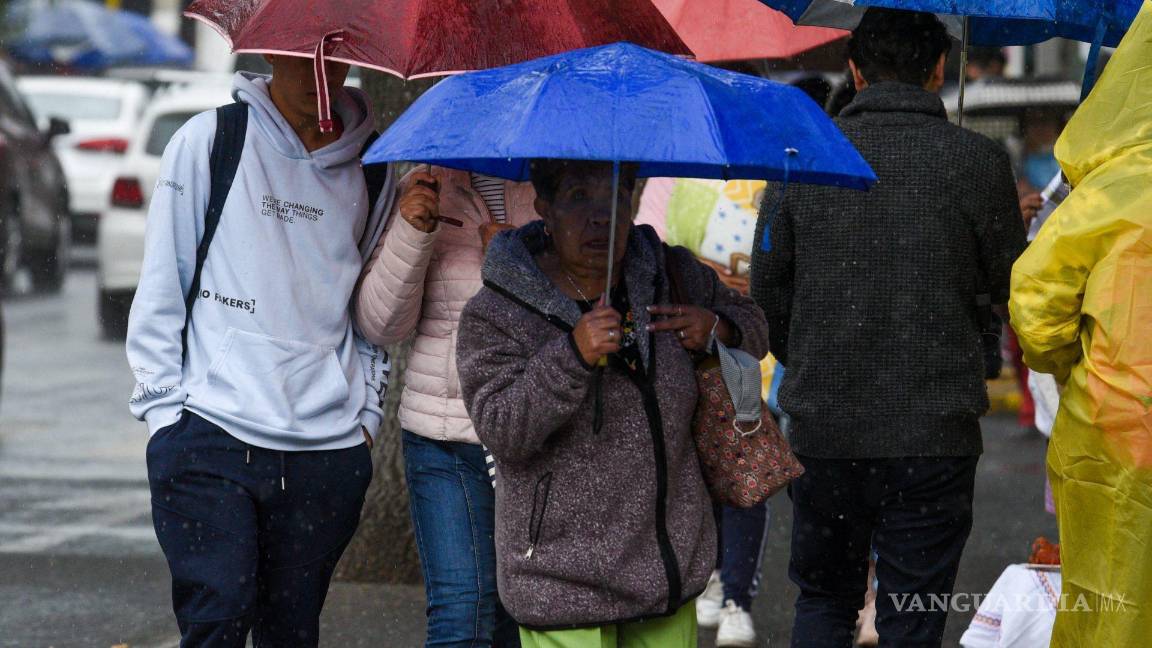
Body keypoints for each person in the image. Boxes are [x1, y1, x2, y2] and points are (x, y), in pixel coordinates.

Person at [751, 9, 1027, 647]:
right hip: (934, 430)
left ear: (854, 69)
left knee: (823, 599)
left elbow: (770, 293)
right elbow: (1013, 282)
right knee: (913, 615)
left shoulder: (801, 161)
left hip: (824, 425)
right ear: (938, 71)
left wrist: (815, 356)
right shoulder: (978, 161)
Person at [126, 56, 395, 646]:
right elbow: (161, 286)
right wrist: (164, 416)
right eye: (302, 57)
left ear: (351, 60)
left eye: (332, 58)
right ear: (271, 53)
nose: (317, 73)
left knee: (291, 632)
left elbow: (373, 311)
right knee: (216, 618)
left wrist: (367, 416)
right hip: (210, 433)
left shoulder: (376, 167)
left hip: (326, 451)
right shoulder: (210, 140)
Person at [456, 160, 770, 648]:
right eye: (579, 196)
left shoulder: (671, 271)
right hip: (560, 583)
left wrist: (716, 327)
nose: (601, 216)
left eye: (615, 197)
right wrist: (571, 356)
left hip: (665, 567)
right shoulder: (498, 310)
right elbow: (502, 429)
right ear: (544, 208)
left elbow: (753, 325)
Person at [1009, 3, 1152, 643]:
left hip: (1117, 426)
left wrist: (1074, 364)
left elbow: (1036, 308)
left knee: (1111, 599)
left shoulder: (1109, 189)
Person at [355, 165, 537, 647]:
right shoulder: (427, 182)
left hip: (539, 438)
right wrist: (412, 233)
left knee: (527, 618)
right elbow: (380, 325)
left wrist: (517, 261)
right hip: (445, 438)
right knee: (463, 614)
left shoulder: (561, 184)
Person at [636, 176, 772, 648]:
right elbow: (649, 243)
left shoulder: (772, 168)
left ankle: (737, 597)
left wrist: (744, 289)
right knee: (697, 478)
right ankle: (711, 573)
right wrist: (708, 276)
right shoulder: (671, 176)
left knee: (745, 479)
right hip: (684, 357)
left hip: (748, 363)